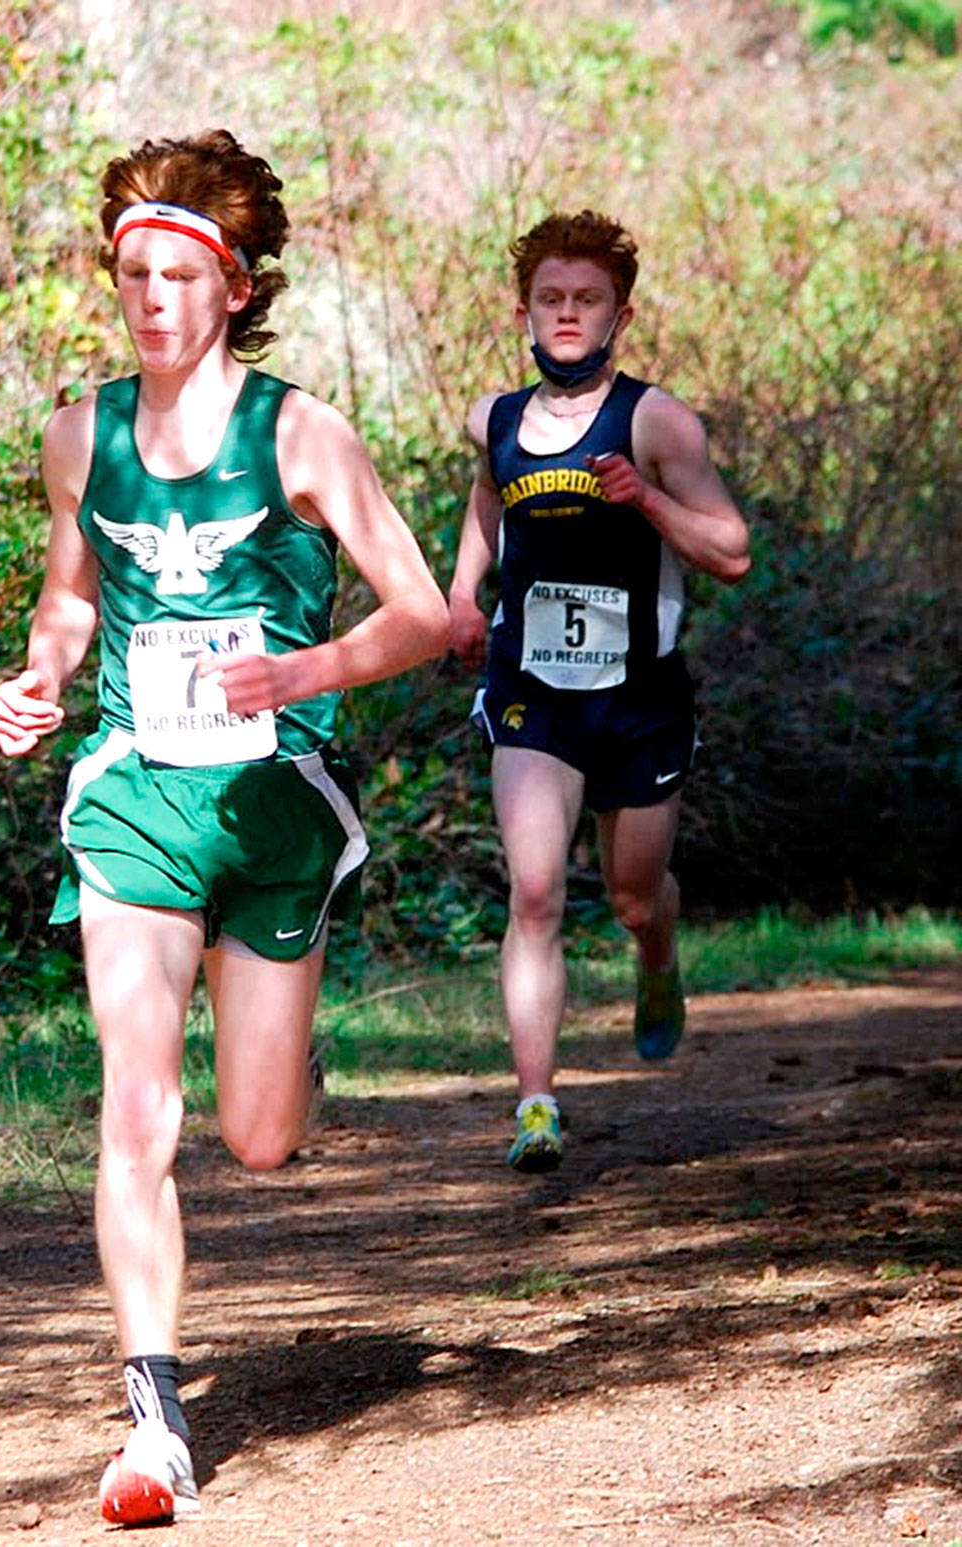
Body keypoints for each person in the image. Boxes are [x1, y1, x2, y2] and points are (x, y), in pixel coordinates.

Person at [0, 130, 448, 1526]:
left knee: (257, 1136)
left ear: (235, 286)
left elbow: (429, 613)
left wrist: (306, 669)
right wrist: (44, 677)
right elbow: (69, 596)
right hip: (135, 795)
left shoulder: (302, 433)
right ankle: (154, 1424)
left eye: (179, 274)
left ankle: (289, 1044)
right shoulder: (82, 434)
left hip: (275, 802)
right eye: (131, 272)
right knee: (137, 1105)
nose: (152, 298)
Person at [447, 209, 750, 1176]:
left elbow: (733, 552)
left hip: (640, 700)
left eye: (586, 300)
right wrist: (462, 593)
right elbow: (488, 505)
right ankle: (537, 1101)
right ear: (524, 309)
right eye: (551, 299)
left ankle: (657, 952)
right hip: (534, 691)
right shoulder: (494, 419)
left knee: (626, 895)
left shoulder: (658, 421)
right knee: (534, 890)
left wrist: (649, 500)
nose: (567, 315)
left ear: (619, 312)